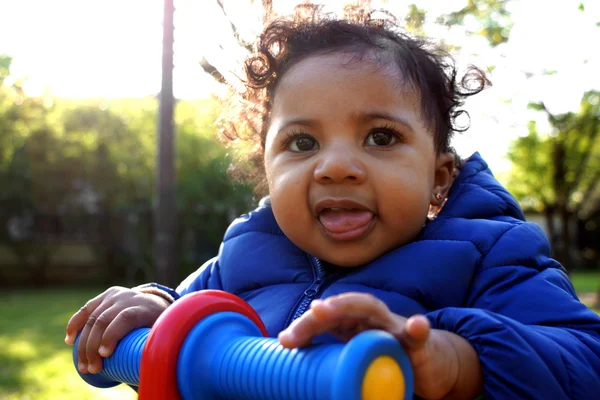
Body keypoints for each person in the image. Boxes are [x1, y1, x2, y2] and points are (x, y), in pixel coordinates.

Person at [65, 5, 600, 399]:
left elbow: (585, 361)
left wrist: (454, 361)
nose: (336, 165)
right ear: (267, 173)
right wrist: (156, 307)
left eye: (381, 137)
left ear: (439, 175)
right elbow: (170, 331)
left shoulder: (490, 252)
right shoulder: (241, 259)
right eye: (302, 143)